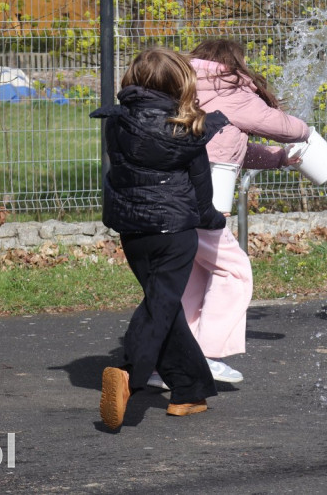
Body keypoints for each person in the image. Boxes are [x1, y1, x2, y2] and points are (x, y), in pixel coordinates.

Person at [153, 38, 309, 387]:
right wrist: (307, 132)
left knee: (194, 281)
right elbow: (285, 127)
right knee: (235, 272)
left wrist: (279, 159)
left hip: (171, 199)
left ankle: (168, 363)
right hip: (203, 205)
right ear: (232, 62)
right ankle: (206, 356)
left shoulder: (181, 86)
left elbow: (231, 145)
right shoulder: (229, 88)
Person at [91, 46, 229, 430]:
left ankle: (189, 390)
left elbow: (121, 170)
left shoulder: (117, 122)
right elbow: (201, 186)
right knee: (159, 307)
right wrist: (212, 219)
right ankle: (129, 375)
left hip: (133, 231)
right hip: (174, 231)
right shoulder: (186, 127)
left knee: (165, 308)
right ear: (180, 83)